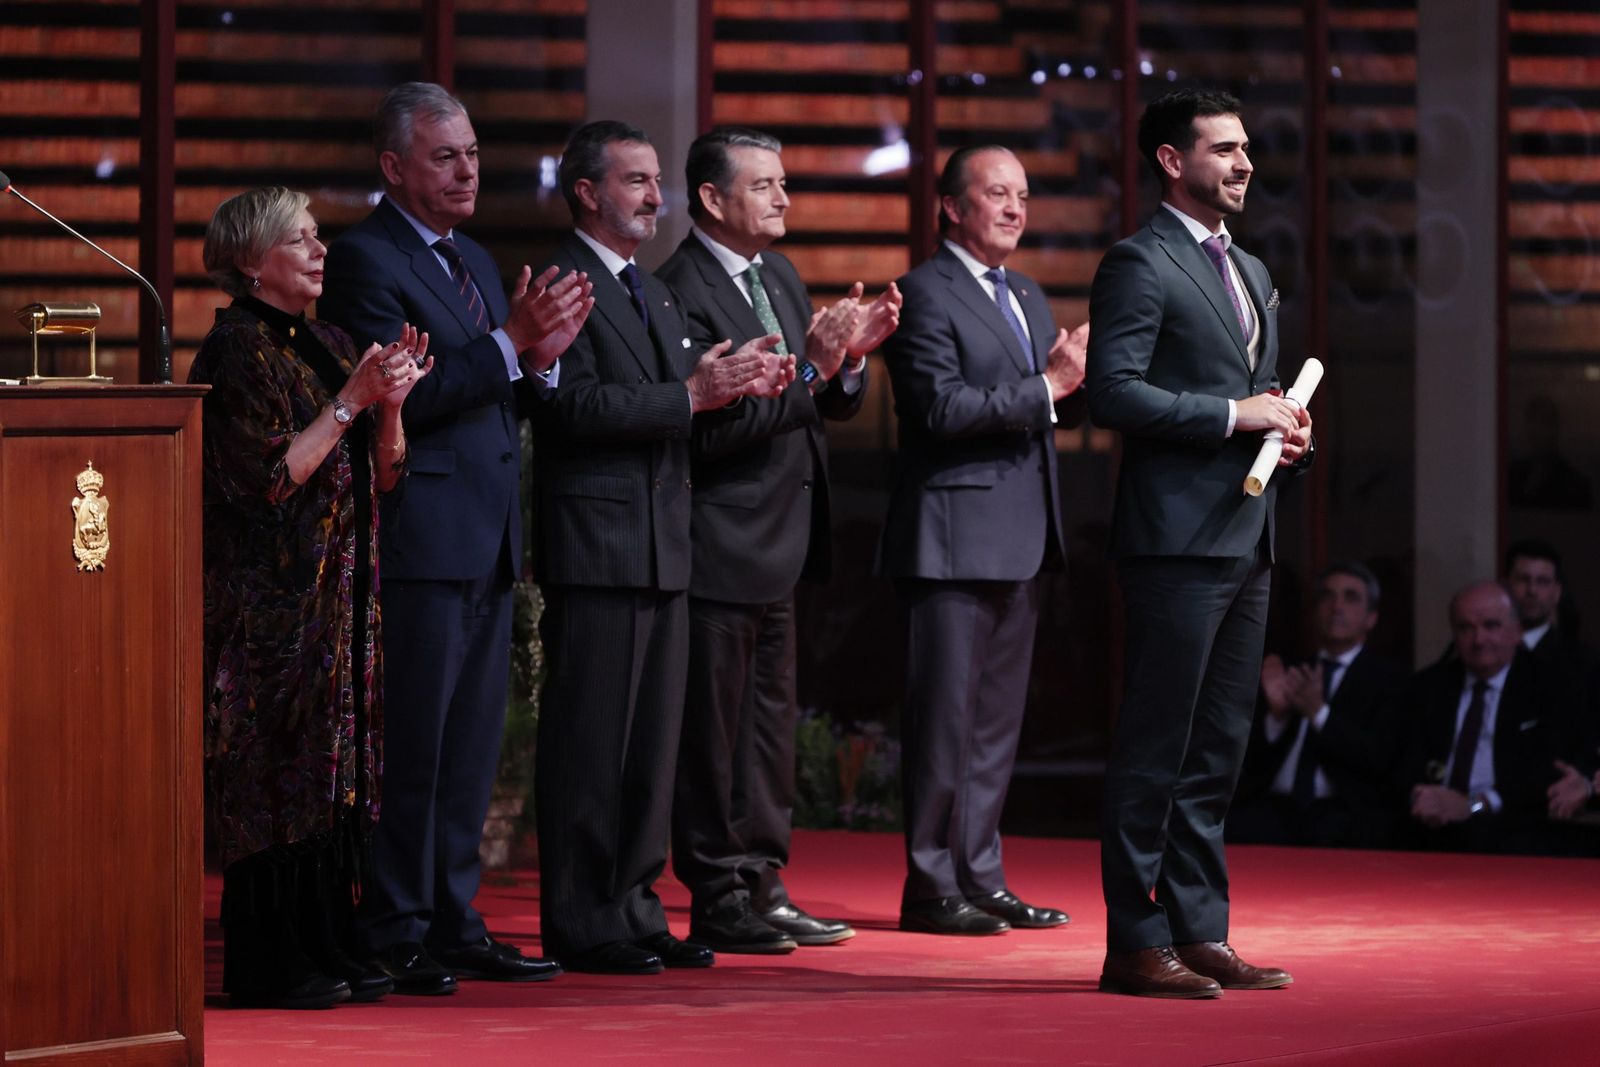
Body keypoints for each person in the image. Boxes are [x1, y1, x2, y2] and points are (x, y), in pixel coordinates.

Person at [319, 82, 591, 995]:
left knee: (472, 747)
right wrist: (512, 341)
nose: (469, 169)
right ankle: (395, 924)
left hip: (487, 533)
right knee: (417, 747)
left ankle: (454, 916)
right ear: (394, 167)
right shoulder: (364, 260)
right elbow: (408, 396)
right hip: (420, 534)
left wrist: (537, 364)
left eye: (473, 153)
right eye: (446, 155)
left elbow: (495, 385)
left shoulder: (470, 254)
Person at [530, 120, 789, 975]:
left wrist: (735, 382)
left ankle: (637, 906)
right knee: (593, 745)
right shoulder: (566, 282)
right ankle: (582, 916)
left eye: (654, 181)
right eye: (635, 181)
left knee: (648, 747)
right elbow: (572, 408)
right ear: (587, 193)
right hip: (599, 543)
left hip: (665, 542)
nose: (653, 196)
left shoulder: (648, 287)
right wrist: (690, 395)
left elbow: (685, 395)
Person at [1086, 88, 1312, 999]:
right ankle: (1135, 940)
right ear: (1173, 162)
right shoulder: (1138, 263)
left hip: (1244, 534)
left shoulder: (1252, 270)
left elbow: (1258, 398)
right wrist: (1234, 414)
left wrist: (1282, 434)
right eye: (1224, 148)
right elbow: (1113, 393)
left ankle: (1198, 926)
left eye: (1247, 147)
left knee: (1219, 743)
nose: (1245, 163)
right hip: (1174, 540)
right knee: (1157, 743)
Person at [655, 126, 900, 954]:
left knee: (769, 731)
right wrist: (815, 369)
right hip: (720, 541)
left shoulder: (779, 275)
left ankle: (763, 879)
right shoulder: (680, 290)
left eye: (783, 181)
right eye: (763, 185)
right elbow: (711, 431)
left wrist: (850, 364)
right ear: (714, 200)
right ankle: (717, 890)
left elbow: (815, 401)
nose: (784, 198)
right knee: (713, 736)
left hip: (783, 542)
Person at [191, 186, 432, 1009]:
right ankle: (271, 961)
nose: (321, 251)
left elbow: (385, 474)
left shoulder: (331, 341)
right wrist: (352, 402)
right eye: (301, 241)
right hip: (272, 616)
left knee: (341, 780)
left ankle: (331, 939)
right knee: (279, 780)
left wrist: (391, 407)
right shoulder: (235, 351)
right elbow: (266, 478)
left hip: (343, 606)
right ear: (254, 262)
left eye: (319, 236)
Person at [878, 144, 1085, 937]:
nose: (1013, 208)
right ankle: (931, 884)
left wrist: (1072, 384)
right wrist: (1049, 386)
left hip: (1022, 534)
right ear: (951, 208)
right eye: (996, 193)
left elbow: (1040, 403)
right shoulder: (923, 294)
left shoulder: (1028, 294)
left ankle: (981, 873)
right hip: (952, 536)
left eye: (1023, 195)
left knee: (995, 726)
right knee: (943, 723)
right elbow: (938, 409)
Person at [1231, 561, 1408, 848]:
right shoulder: (1290, 671)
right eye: (1327, 596)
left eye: (1350, 597)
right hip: (1274, 809)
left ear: (1371, 617)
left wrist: (1318, 714)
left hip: (1343, 812)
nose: (1336, 606)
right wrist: (1276, 716)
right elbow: (1249, 762)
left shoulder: (1389, 681)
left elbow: (1378, 759)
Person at [1401, 582, 1581, 854]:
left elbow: (1545, 769)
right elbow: (1402, 760)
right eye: (1465, 628)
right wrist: (1423, 797)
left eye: (1491, 626)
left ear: (1517, 631)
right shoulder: (1428, 687)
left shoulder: (1549, 686)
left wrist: (1474, 804)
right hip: (1433, 827)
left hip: (1512, 831)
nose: (1478, 640)